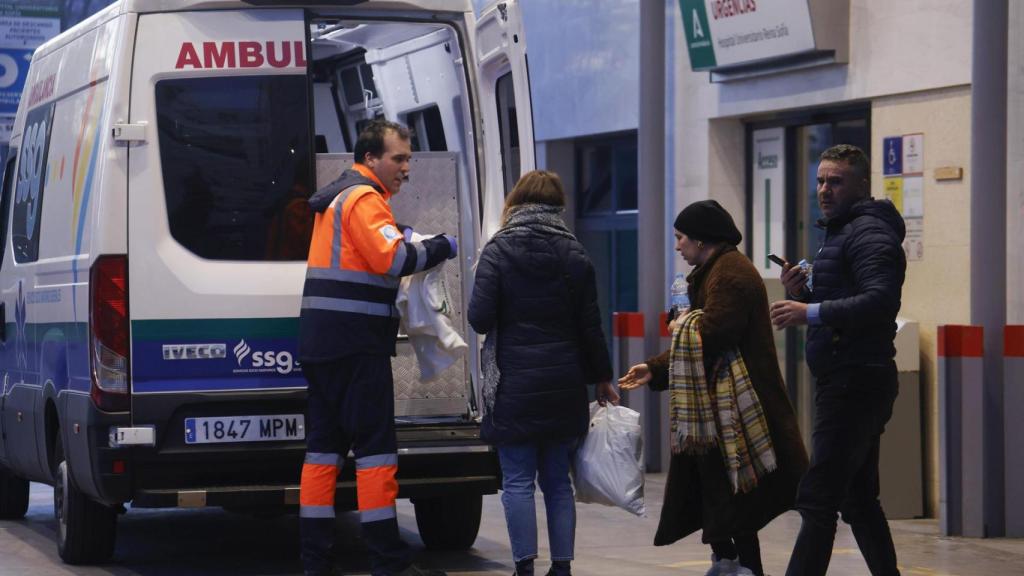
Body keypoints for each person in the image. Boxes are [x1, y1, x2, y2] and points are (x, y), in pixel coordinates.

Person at [297, 120, 457, 576]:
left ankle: (315, 560)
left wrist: (400, 229)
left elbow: (361, 250)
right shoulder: (365, 199)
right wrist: (442, 245)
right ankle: (388, 561)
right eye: (399, 158)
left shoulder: (337, 199)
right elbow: (395, 259)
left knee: (323, 452)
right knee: (375, 452)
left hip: (322, 343)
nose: (406, 167)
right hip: (355, 345)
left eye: (408, 158)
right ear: (370, 159)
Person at [619, 200, 808, 576]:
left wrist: (682, 327)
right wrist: (653, 369)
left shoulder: (731, 274)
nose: (677, 246)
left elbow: (713, 334)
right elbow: (698, 342)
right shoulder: (715, 270)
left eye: (680, 238)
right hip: (717, 406)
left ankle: (741, 567)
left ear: (701, 240)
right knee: (723, 496)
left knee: (734, 497)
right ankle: (730, 562)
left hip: (736, 408)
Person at [468, 170, 618, 576]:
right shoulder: (575, 253)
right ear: (558, 205)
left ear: (516, 201)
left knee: (517, 481)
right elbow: (591, 325)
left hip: (514, 384)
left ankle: (524, 567)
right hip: (564, 385)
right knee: (557, 482)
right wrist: (603, 377)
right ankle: (563, 568)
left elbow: (479, 318)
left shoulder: (497, 252)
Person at [770, 144, 905, 576]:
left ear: (861, 185)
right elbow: (845, 303)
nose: (825, 189)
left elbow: (880, 301)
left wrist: (807, 312)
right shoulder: (841, 232)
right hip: (848, 377)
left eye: (836, 181)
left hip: (855, 382)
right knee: (857, 499)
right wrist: (803, 293)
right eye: (821, 180)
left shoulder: (870, 234)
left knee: (819, 497)